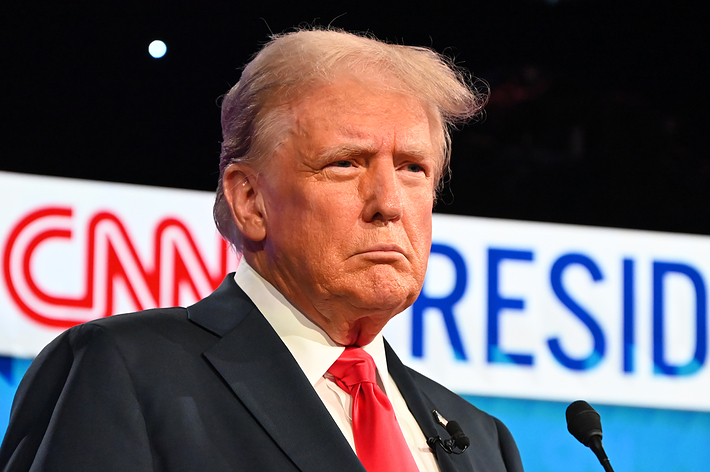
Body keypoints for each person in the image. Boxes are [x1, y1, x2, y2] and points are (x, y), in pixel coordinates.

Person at [0, 28, 524, 472]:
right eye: (345, 163)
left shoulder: (484, 444)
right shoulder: (121, 371)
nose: (388, 203)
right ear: (250, 200)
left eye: (413, 168)